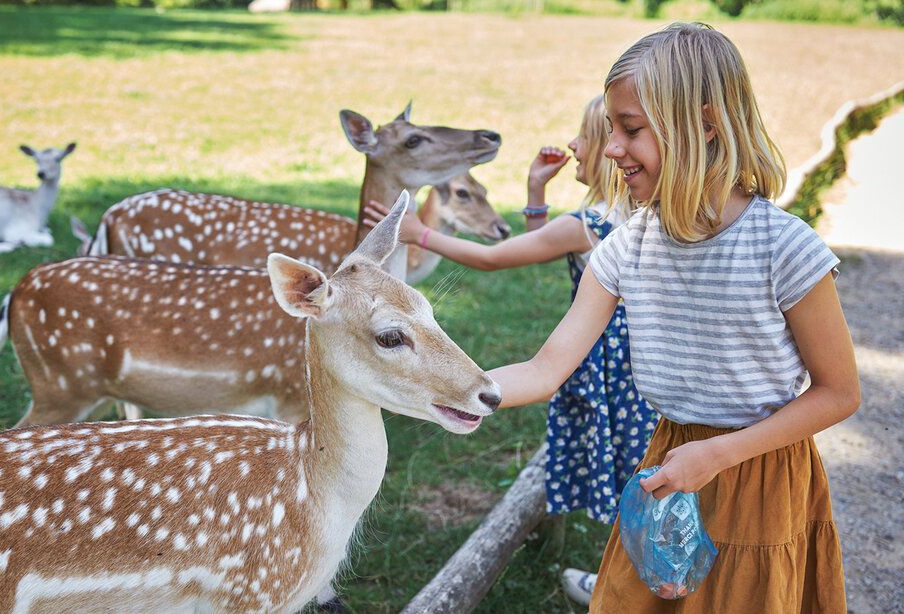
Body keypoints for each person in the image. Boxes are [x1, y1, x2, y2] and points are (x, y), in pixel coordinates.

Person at [486, 22, 859, 612]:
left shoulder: (784, 249)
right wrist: (452, 388)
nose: (611, 149)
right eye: (612, 128)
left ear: (705, 125)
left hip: (757, 478)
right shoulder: (627, 246)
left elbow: (839, 393)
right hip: (668, 462)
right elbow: (545, 368)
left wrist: (719, 454)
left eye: (630, 129)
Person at [364, 95, 658, 606]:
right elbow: (539, 243)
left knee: (627, 476)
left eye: (586, 137)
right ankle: (636, 578)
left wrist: (420, 233)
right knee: (645, 479)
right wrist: (536, 190)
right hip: (640, 370)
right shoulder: (636, 217)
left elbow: (497, 257)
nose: (573, 145)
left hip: (601, 369)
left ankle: (634, 587)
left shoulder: (587, 223)